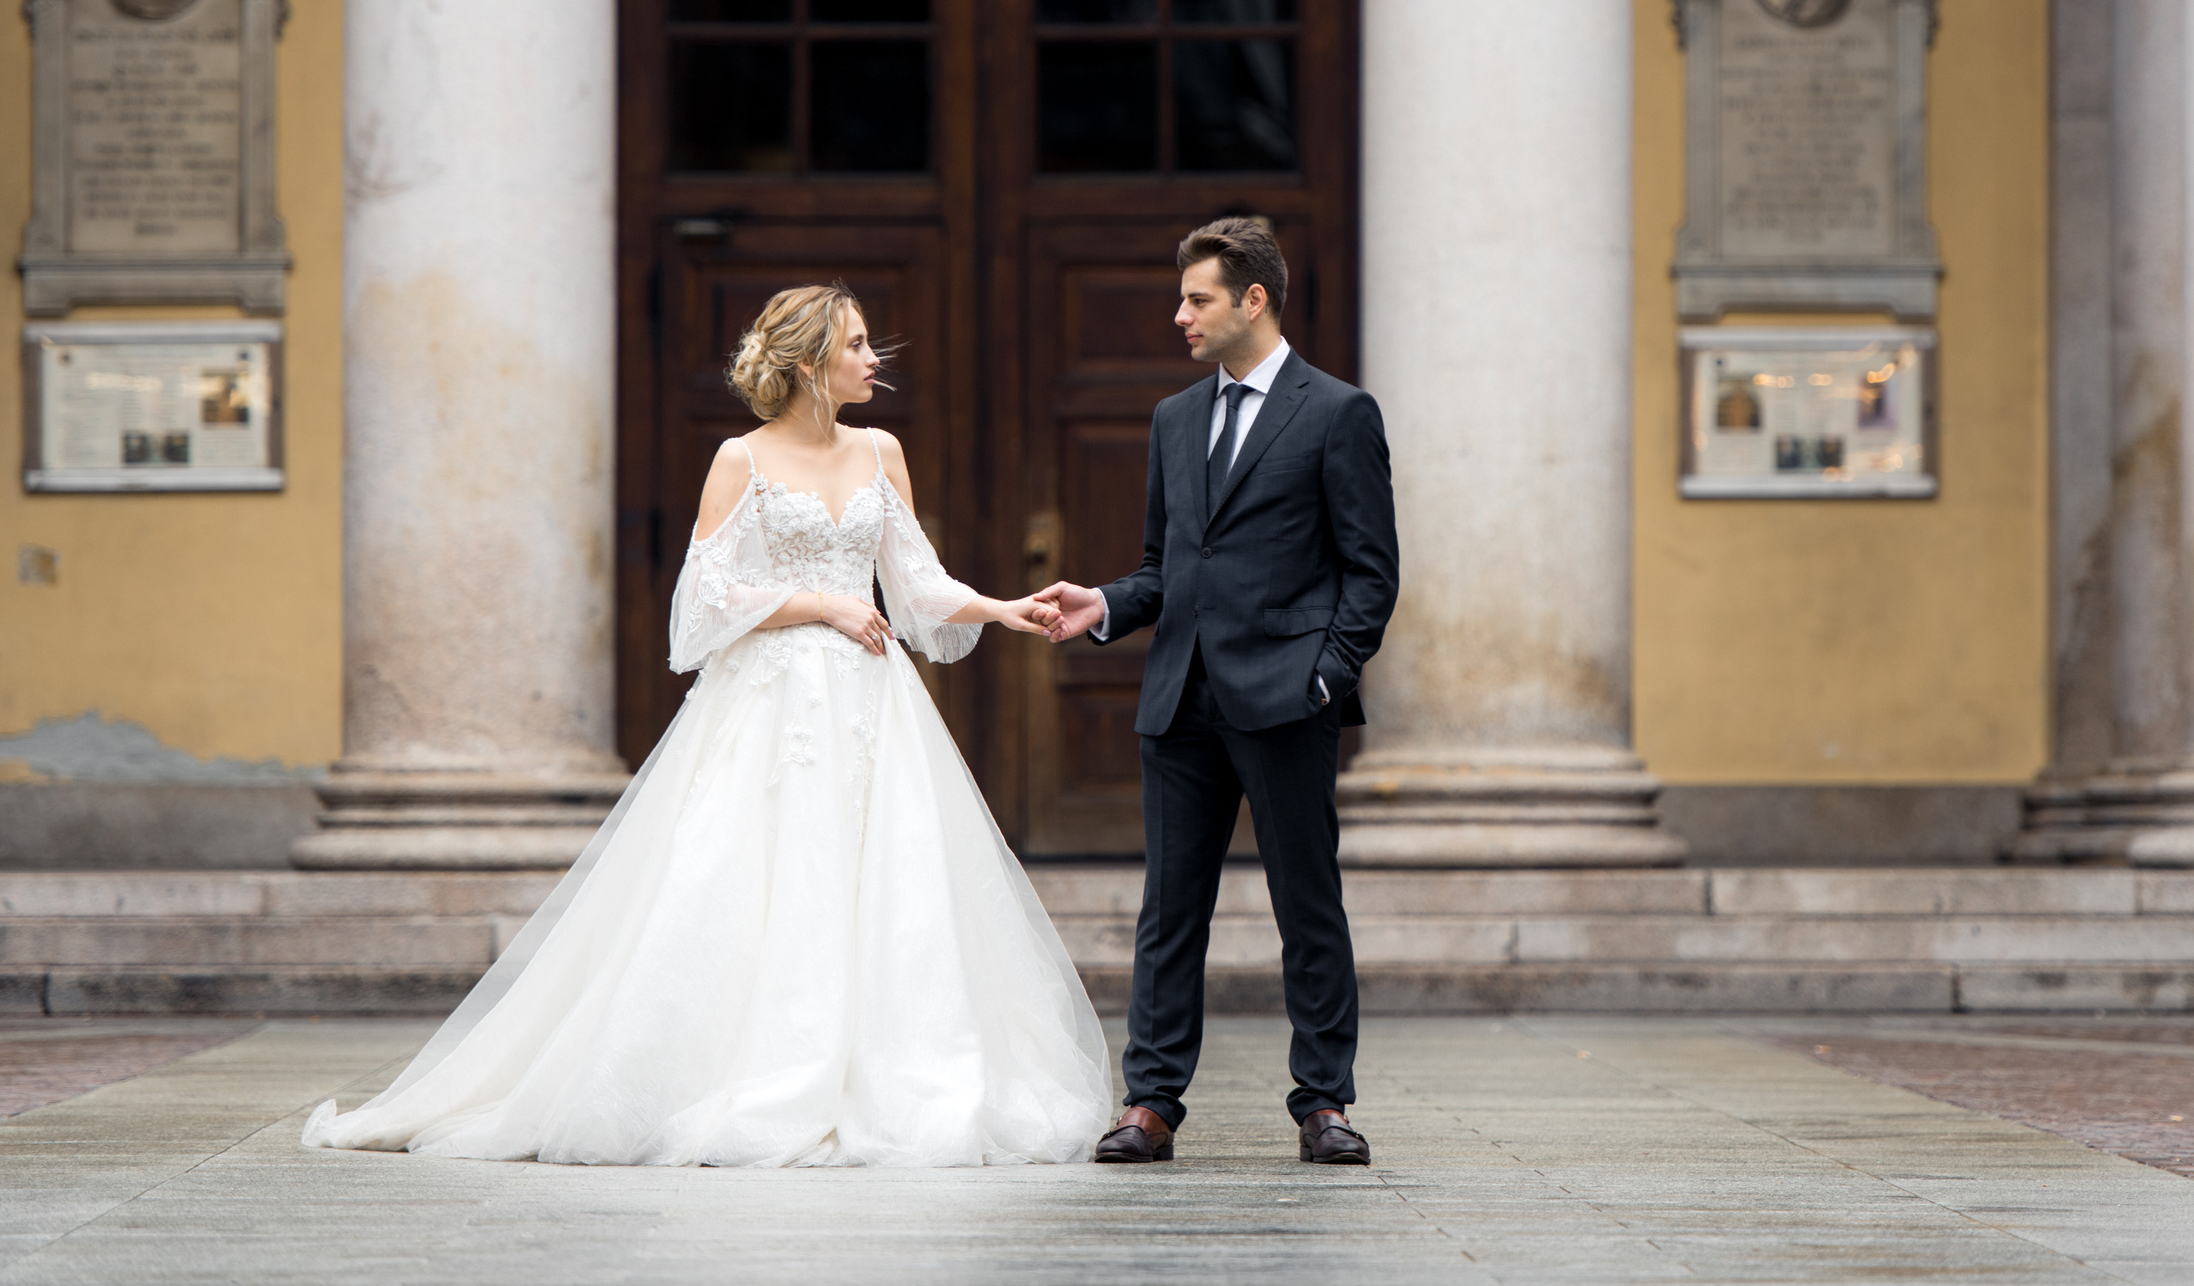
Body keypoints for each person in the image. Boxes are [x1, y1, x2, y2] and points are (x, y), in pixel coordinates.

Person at [302, 283, 1112, 1168]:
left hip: (871, 707)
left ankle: (888, 1071)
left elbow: (915, 584)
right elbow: (701, 605)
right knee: (758, 877)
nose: (875, 360)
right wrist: (819, 604)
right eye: (857, 345)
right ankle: (741, 1070)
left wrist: (1003, 608)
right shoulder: (740, 460)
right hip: (770, 705)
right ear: (809, 364)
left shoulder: (883, 450)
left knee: (888, 883)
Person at [1033, 218, 1400, 1168]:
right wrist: (1106, 603)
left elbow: (1372, 574)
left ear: (1254, 300)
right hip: (1181, 700)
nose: (1179, 314)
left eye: (1197, 298)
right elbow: (1166, 568)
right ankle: (1150, 1101)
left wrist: (1324, 674)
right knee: (1169, 910)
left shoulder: (1337, 412)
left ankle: (1325, 1101)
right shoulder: (1173, 418)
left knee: (1306, 902)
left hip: (1288, 699)